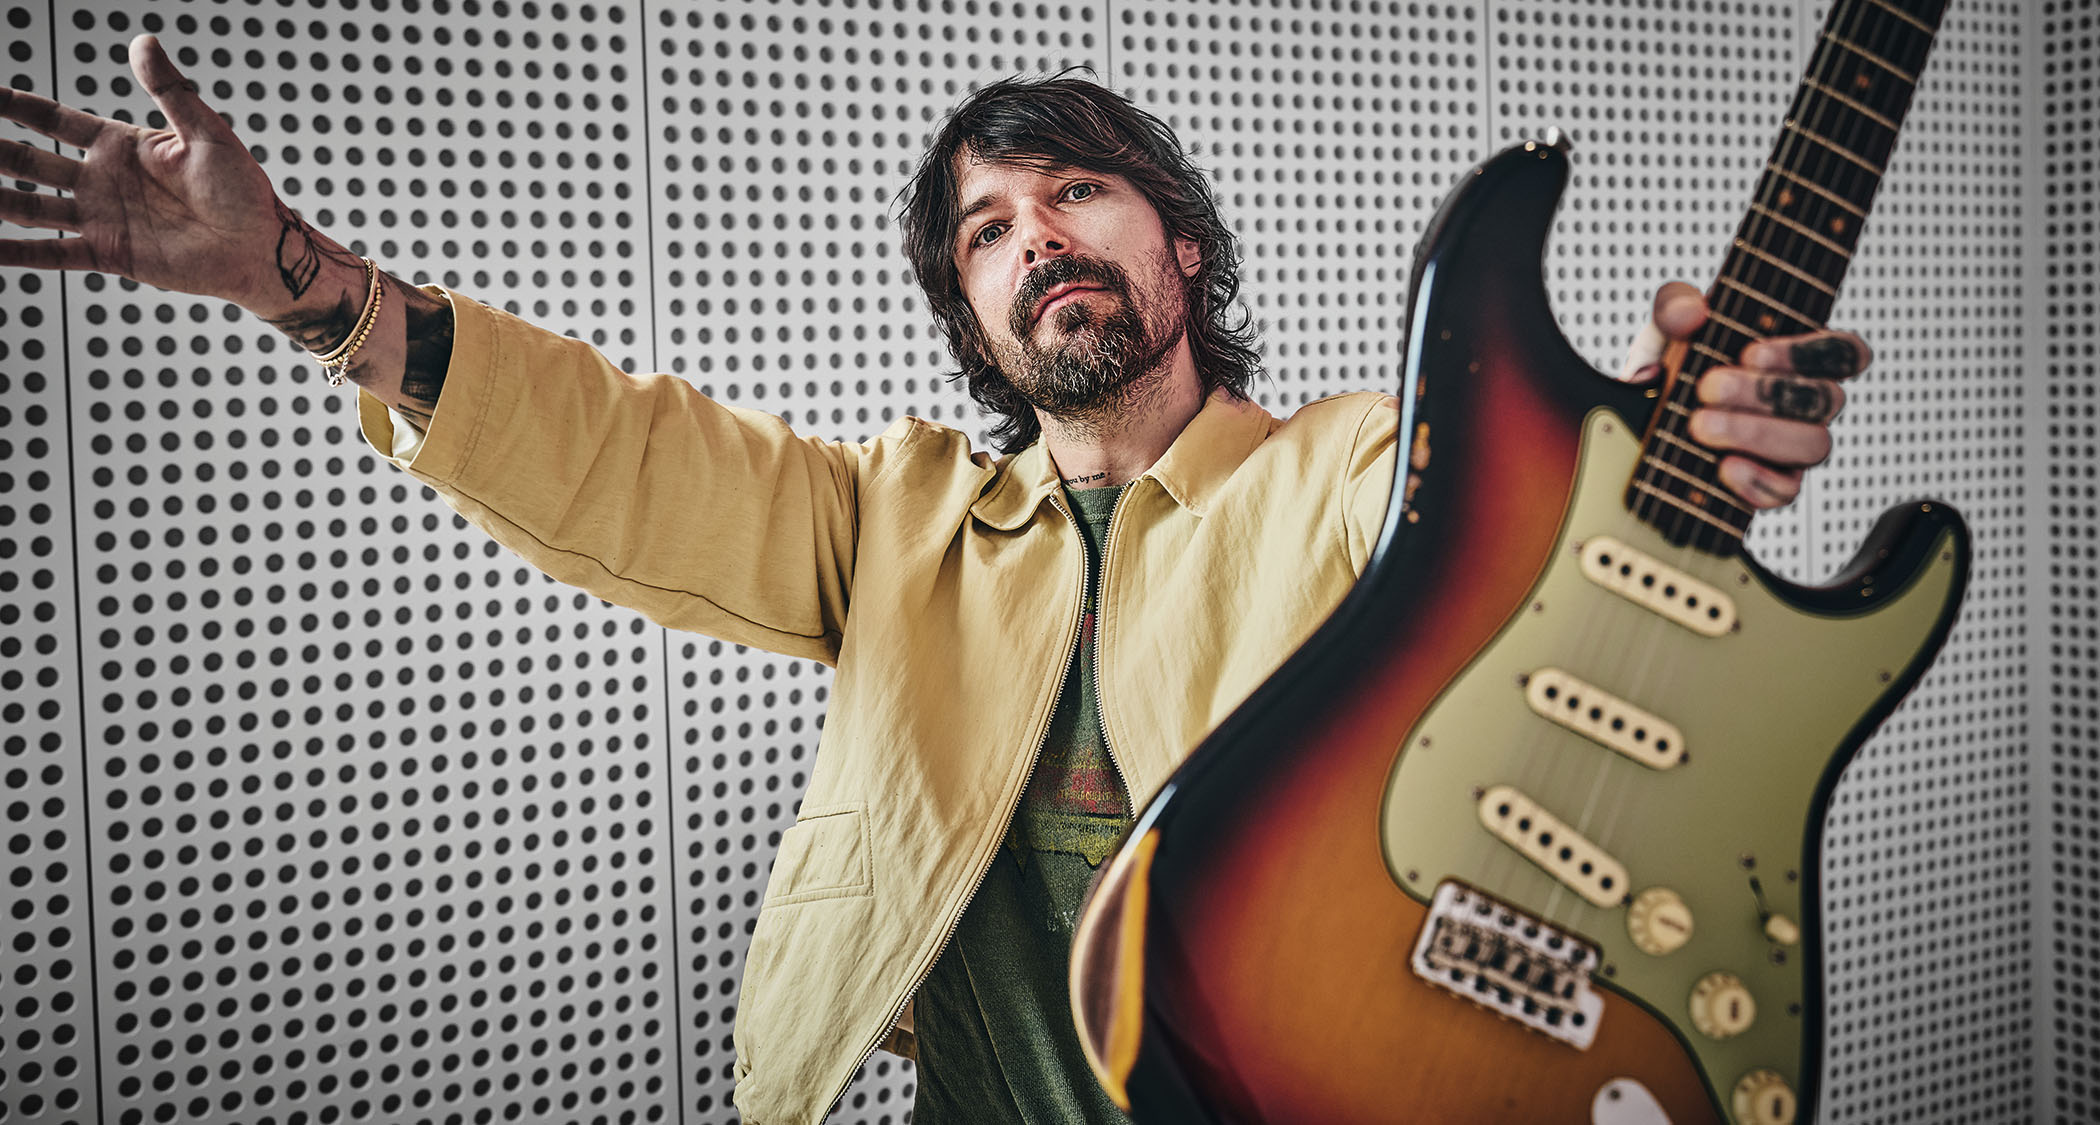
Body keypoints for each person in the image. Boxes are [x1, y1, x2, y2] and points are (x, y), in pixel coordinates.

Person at [0, 36, 1863, 1125]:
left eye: (1076, 195)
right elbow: (618, 453)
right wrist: (300, 282)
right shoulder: (889, 518)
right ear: (972, 314)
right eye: (987, 227)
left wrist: (1700, 440)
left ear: (1181, 251)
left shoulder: (1356, 472)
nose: (1034, 235)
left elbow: (1542, 541)